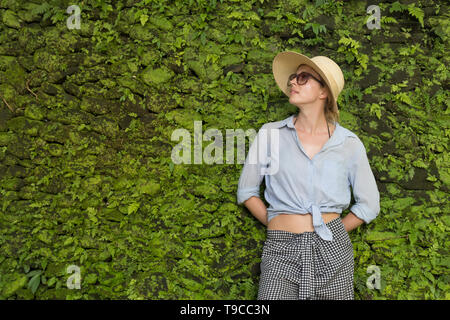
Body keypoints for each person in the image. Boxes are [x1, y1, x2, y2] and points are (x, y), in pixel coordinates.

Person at [236, 51, 380, 300]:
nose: (293, 82)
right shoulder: (270, 134)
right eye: (293, 77)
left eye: (303, 77)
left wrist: (331, 233)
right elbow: (246, 192)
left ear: (324, 92)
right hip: (281, 250)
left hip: (333, 252)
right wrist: (276, 224)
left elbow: (369, 204)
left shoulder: (349, 143)